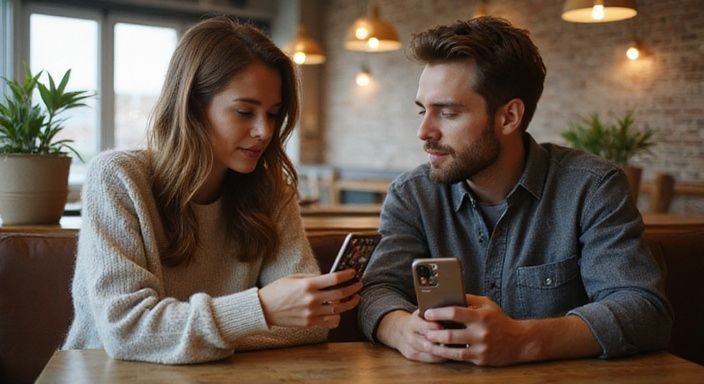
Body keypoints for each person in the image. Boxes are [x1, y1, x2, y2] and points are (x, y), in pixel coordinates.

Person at [358, 16, 672, 366]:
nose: (423, 131)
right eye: (422, 111)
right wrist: (401, 329)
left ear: (509, 117)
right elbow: (378, 290)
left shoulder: (591, 187)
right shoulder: (412, 195)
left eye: (447, 113)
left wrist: (523, 341)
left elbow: (644, 310)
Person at [62, 17, 361, 364]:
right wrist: (261, 309)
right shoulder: (116, 178)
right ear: (191, 107)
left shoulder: (272, 192)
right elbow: (127, 333)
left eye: (274, 114)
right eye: (244, 112)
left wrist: (184, 335)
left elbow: (310, 322)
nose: (264, 131)